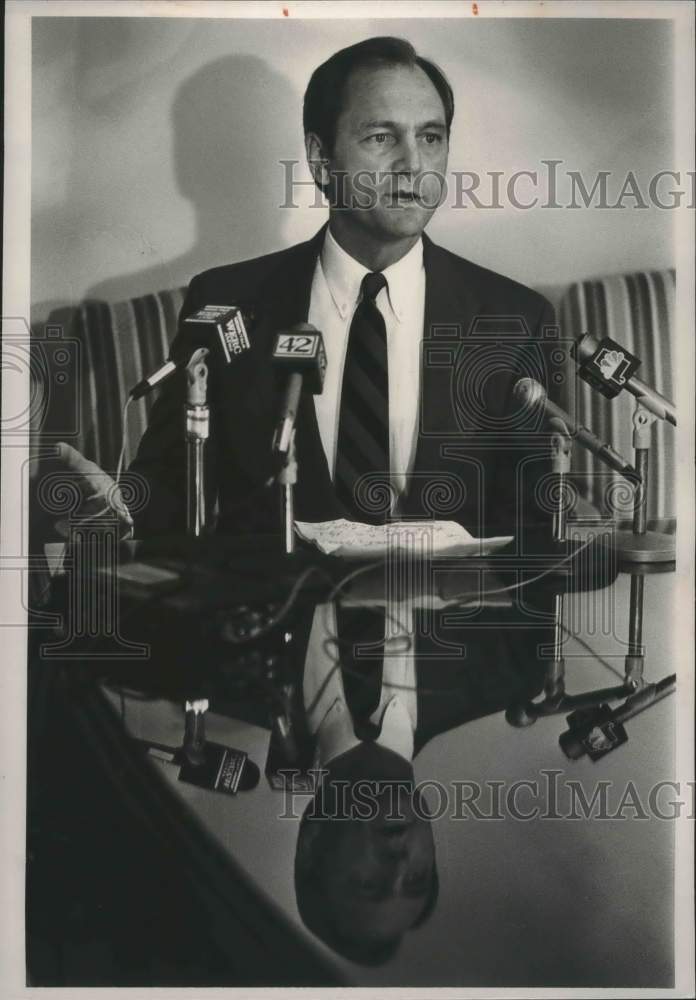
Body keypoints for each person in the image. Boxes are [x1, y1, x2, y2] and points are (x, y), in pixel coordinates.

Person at [130, 35, 558, 541]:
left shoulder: (515, 320)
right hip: (278, 615)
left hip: (442, 614)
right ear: (320, 158)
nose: (413, 165)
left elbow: (536, 535)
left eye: (431, 138)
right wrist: (117, 512)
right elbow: (167, 491)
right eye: (381, 137)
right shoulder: (227, 302)